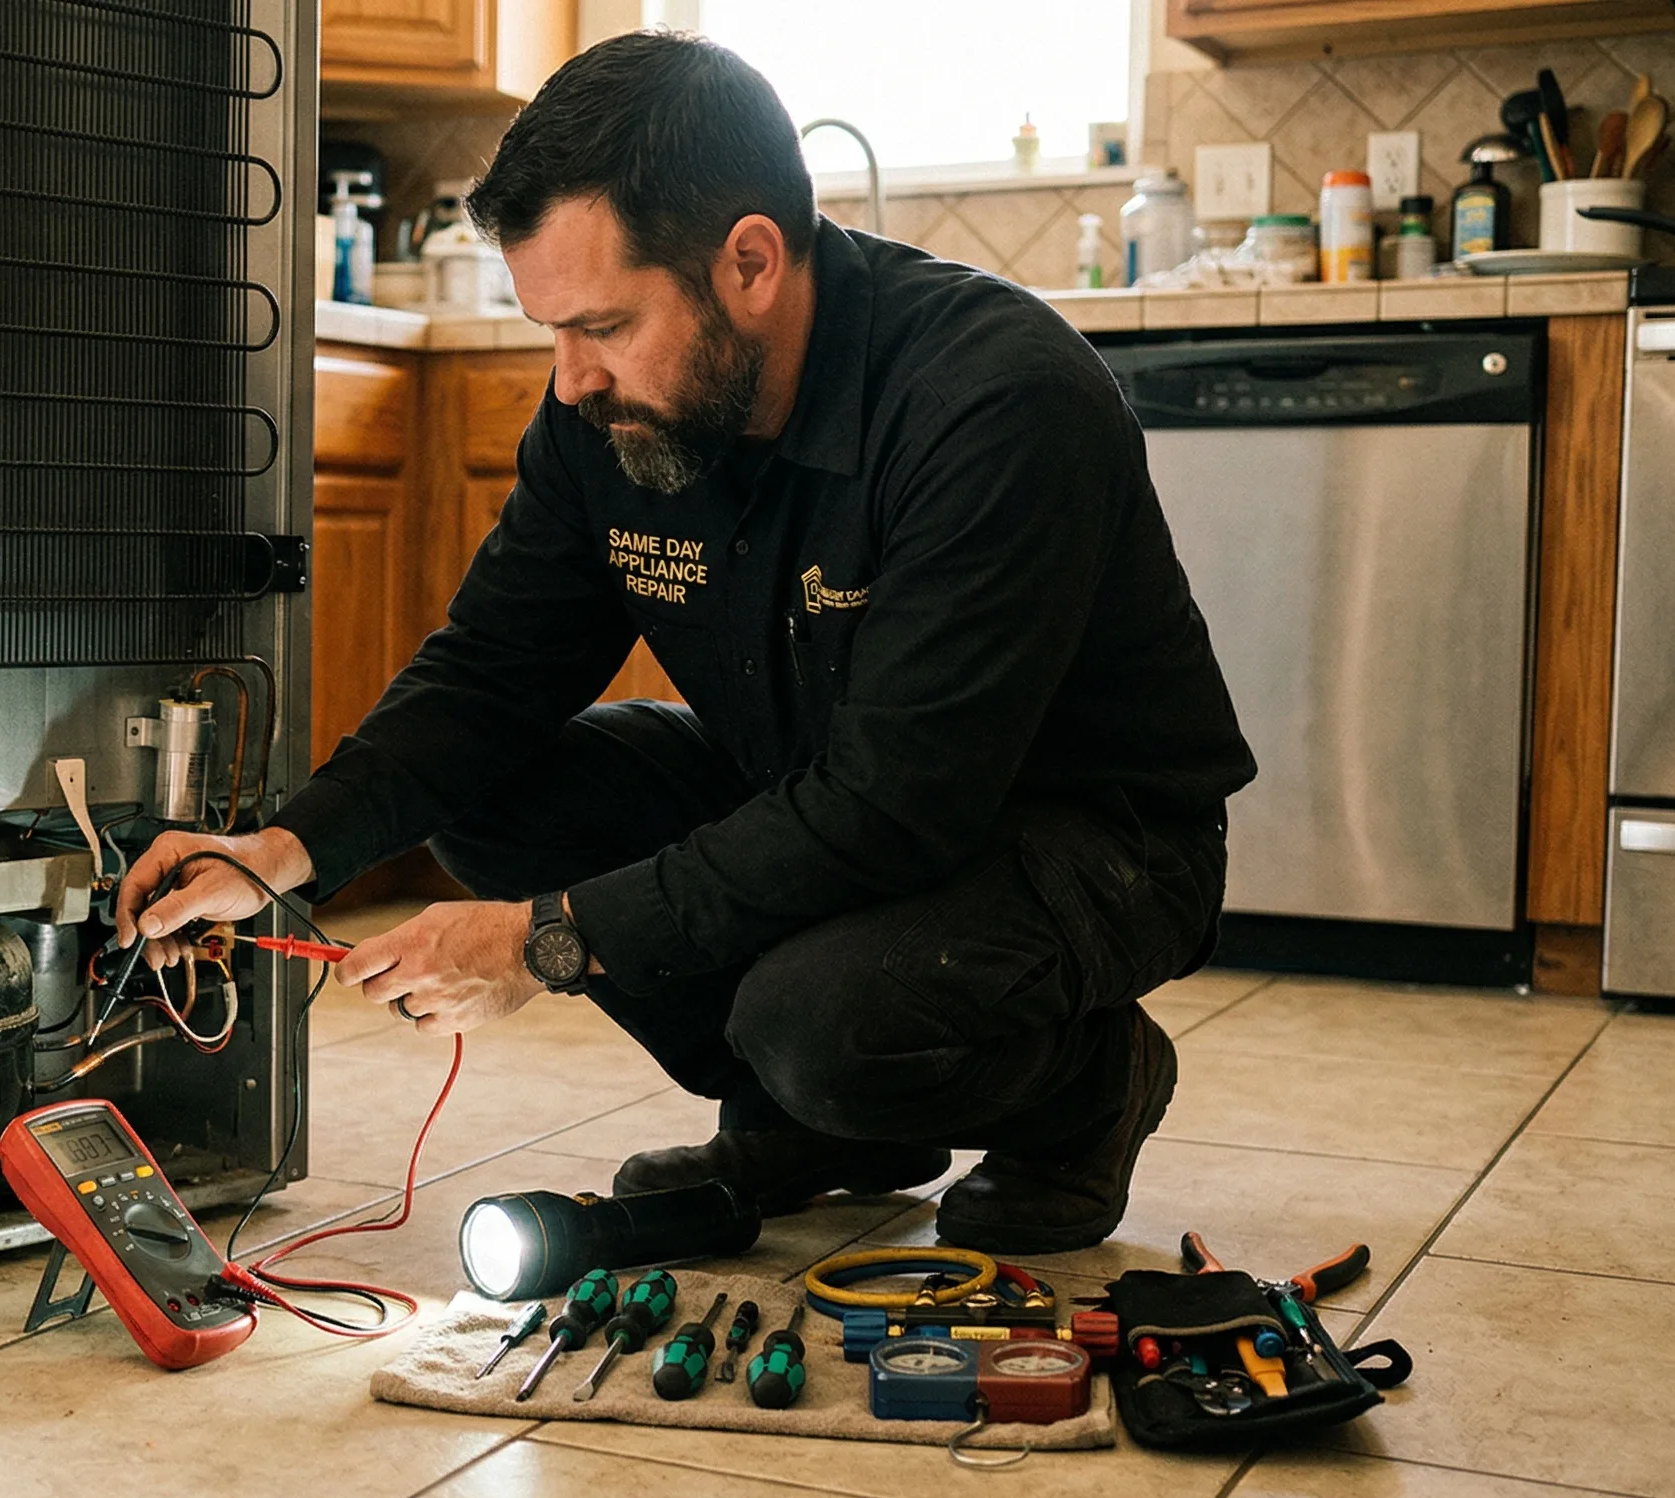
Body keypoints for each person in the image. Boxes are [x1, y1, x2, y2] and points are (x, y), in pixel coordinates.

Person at [116, 31, 1255, 1254]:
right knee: (497, 804)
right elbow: (491, 672)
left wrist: (541, 941)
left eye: (601, 325)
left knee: (819, 1021)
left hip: (1091, 840)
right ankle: (830, 1126)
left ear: (750, 261)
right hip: (824, 787)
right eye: (549, 329)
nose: (567, 383)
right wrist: (283, 848)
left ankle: (1082, 1088)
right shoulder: (611, 417)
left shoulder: (993, 401)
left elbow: (895, 811)